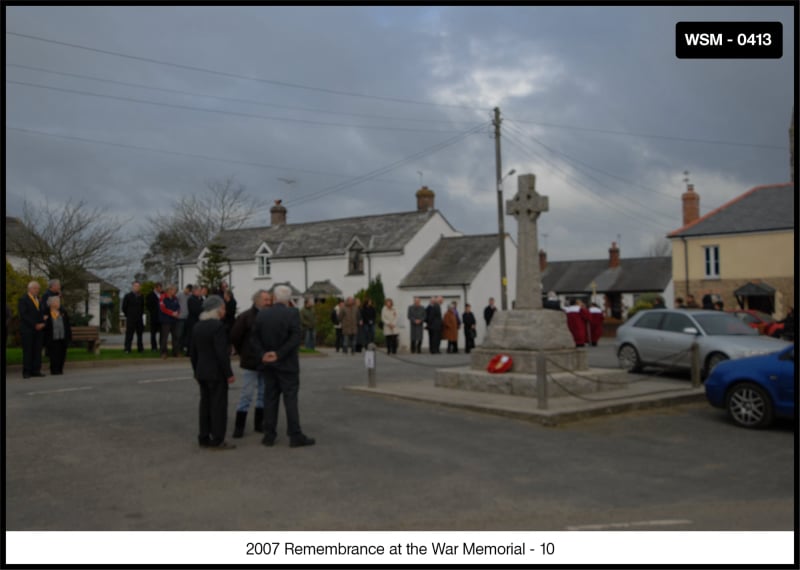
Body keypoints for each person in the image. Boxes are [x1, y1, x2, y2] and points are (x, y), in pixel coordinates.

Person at [250, 284, 315, 448]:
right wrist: (279, 354)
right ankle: (295, 435)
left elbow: (254, 338)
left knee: (270, 399)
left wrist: (263, 354)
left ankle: (269, 435)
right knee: (290, 400)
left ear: (274, 298)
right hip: (287, 365)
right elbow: (295, 337)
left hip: (268, 365)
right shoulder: (292, 313)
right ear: (288, 299)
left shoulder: (263, 314)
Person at [190, 295, 236, 450]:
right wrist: (229, 373)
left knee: (205, 404)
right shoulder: (218, 327)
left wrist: (196, 370)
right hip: (216, 372)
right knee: (218, 406)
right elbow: (221, 353)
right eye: (223, 308)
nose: (224, 311)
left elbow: (193, 352)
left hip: (202, 371)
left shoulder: (197, 326)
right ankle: (217, 438)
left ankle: (203, 436)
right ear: (217, 310)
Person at [230, 289, 271, 438]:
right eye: (266, 300)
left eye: (269, 300)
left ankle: (259, 424)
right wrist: (243, 352)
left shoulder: (269, 316)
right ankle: (239, 427)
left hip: (265, 361)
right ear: (257, 300)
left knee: (262, 394)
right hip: (250, 361)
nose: (269, 302)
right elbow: (235, 336)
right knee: (246, 394)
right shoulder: (245, 317)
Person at [18, 281, 46, 379]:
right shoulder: (23, 300)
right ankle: (27, 371)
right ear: (29, 289)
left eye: (38, 288)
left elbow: (41, 313)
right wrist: (35, 324)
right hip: (28, 329)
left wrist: (43, 323)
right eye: (35, 288)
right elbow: (24, 315)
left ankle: (36, 370)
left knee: (37, 350)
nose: (37, 290)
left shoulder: (38, 300)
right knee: (28, 351)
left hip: (39, 330)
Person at [43, 296, 71, 375]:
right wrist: (45, 320)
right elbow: (45, 325)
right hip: (52, 337)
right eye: (57, 302)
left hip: (62, 336)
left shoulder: (62, 311)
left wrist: (69, 336)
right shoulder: (46, 312)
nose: (59, 304)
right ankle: (54, 370)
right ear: (52, 303)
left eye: (59, 302)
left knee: (62, 353)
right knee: (54, 354)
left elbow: (67, 325)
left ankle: (60, 369)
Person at [122, 281, 145, 353]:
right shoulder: (128, 296)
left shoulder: (141, 296)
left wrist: (140, 314)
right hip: (131, 318)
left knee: (140, 334)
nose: (137, 288)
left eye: (138, 286)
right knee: (129, 334)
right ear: (132, 287)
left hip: (139, 318)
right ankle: (127, 348)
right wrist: (128, 315)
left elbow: (142, 307)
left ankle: (140, 348)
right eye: (135, 286)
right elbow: (124, 307)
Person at [159, 284, 181, 359]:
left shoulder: (175, 298)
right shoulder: (162, 297)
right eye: (174, 290)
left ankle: (176, 352)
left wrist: (177, 313)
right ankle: (163, 352)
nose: (175, 291)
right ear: (169, 290)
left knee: (176, 336)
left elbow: (178, 307)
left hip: (174, 320)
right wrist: (172, 313)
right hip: (166, 320)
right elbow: (163, 308)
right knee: (164, 337)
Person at [176, 284, 192, 355]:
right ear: (185, 288)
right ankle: (178, 349)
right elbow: (175, 302)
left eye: (189, 291)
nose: (187, 292)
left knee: (185, 334)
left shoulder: (190, 296)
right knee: (179, 334)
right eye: (187, 290)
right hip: (180, 317)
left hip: (187, 317)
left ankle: (183, 347)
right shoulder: (179, 294)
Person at [186, 285, 204, 352]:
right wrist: (202, 310)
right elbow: (194, 310)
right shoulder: (191, 299)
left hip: (197, 321)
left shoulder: (198, 299)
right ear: (194, 291)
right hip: (192, 321)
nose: (200, 292)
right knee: (191, 337)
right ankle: (190, 351)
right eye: (199, 291)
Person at [146, 282, 163, 351]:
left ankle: (161, 345)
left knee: (162, 333)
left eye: (161, 288)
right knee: (153, 333)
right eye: (159, 288)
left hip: (162, 317)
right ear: (155, 288)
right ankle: (154, 347)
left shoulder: (162, 294)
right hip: (154, 317)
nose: (160, 289)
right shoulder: (150, 295)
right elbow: (148, 305)